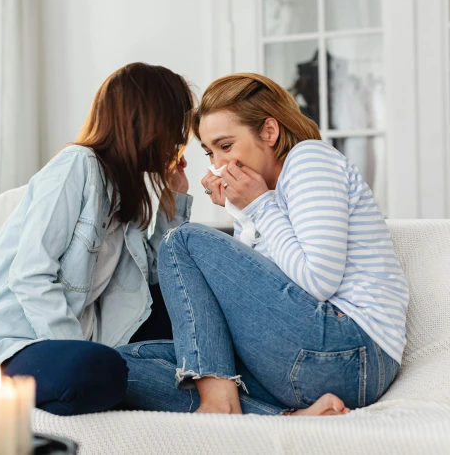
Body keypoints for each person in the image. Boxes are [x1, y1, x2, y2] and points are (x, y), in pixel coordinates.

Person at [119, 73, 409, 416]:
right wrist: (244, 211)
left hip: (351, 351)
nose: (218, 164)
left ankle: (219, 406)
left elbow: (316, 281)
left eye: (226, 146)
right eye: (211, 152)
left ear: (269, 132)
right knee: (118, 366)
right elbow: (265, 294)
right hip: (303, 356)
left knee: (181, 241)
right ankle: (284, 417)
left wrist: (257, 205)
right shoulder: (271, 195)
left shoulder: (309, 160)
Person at [0, 63, 195, 416]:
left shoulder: (124, 200)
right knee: (99, 370)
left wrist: (172, 205)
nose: (179, 139)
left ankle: (132, 384)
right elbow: (30, 275)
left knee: (180, 314)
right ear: (148, 120)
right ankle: (115, 381)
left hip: (81, 348)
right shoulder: (77, 166)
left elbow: (156, 285)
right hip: (15, 350)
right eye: (175, 124)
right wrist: (78, 349)